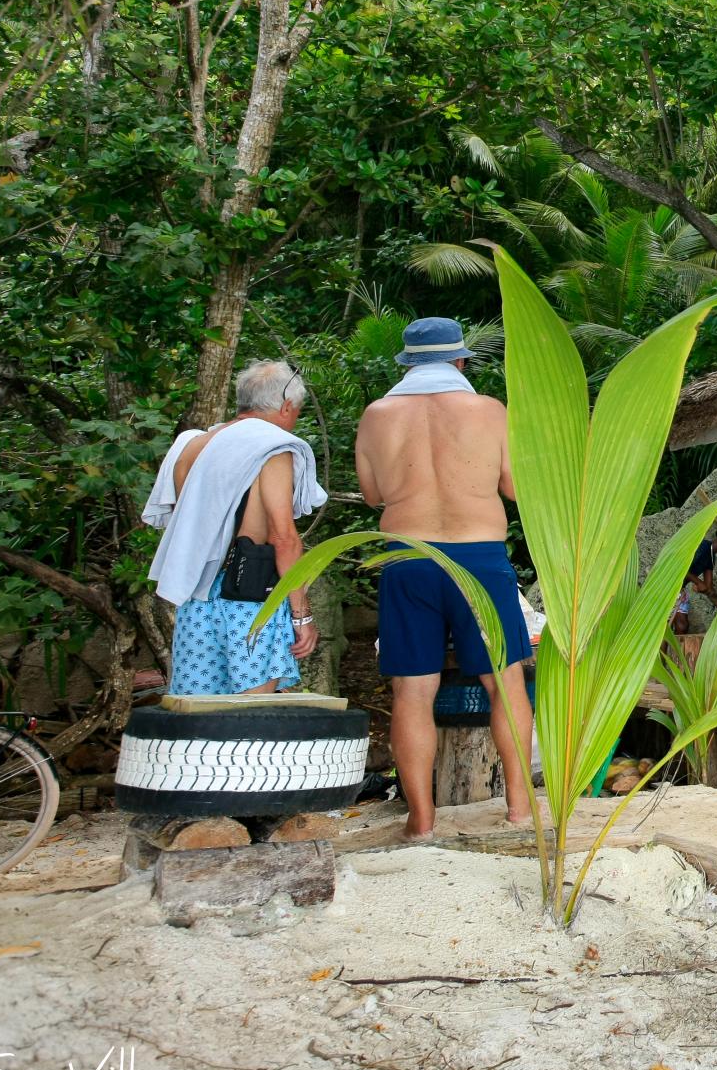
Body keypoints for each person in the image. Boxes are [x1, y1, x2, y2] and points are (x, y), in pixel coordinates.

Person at [356, 317, 535, 841]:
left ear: (408, 363)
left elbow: (372, 495)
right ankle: (520, 813)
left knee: (412, 690)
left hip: (407, 559)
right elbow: (513, 487)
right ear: (461, 361)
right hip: (479, 558)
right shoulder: (488, 411)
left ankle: (421, 822)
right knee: (505, 683)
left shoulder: (376, 415)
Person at [143, 361, 326, 695]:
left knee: (202, 721)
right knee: (252, 723)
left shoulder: (192, 446)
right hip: (250, 600)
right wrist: (302, 616)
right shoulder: (272, 448)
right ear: (286, 406)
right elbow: (283, 539)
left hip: (196, 600)